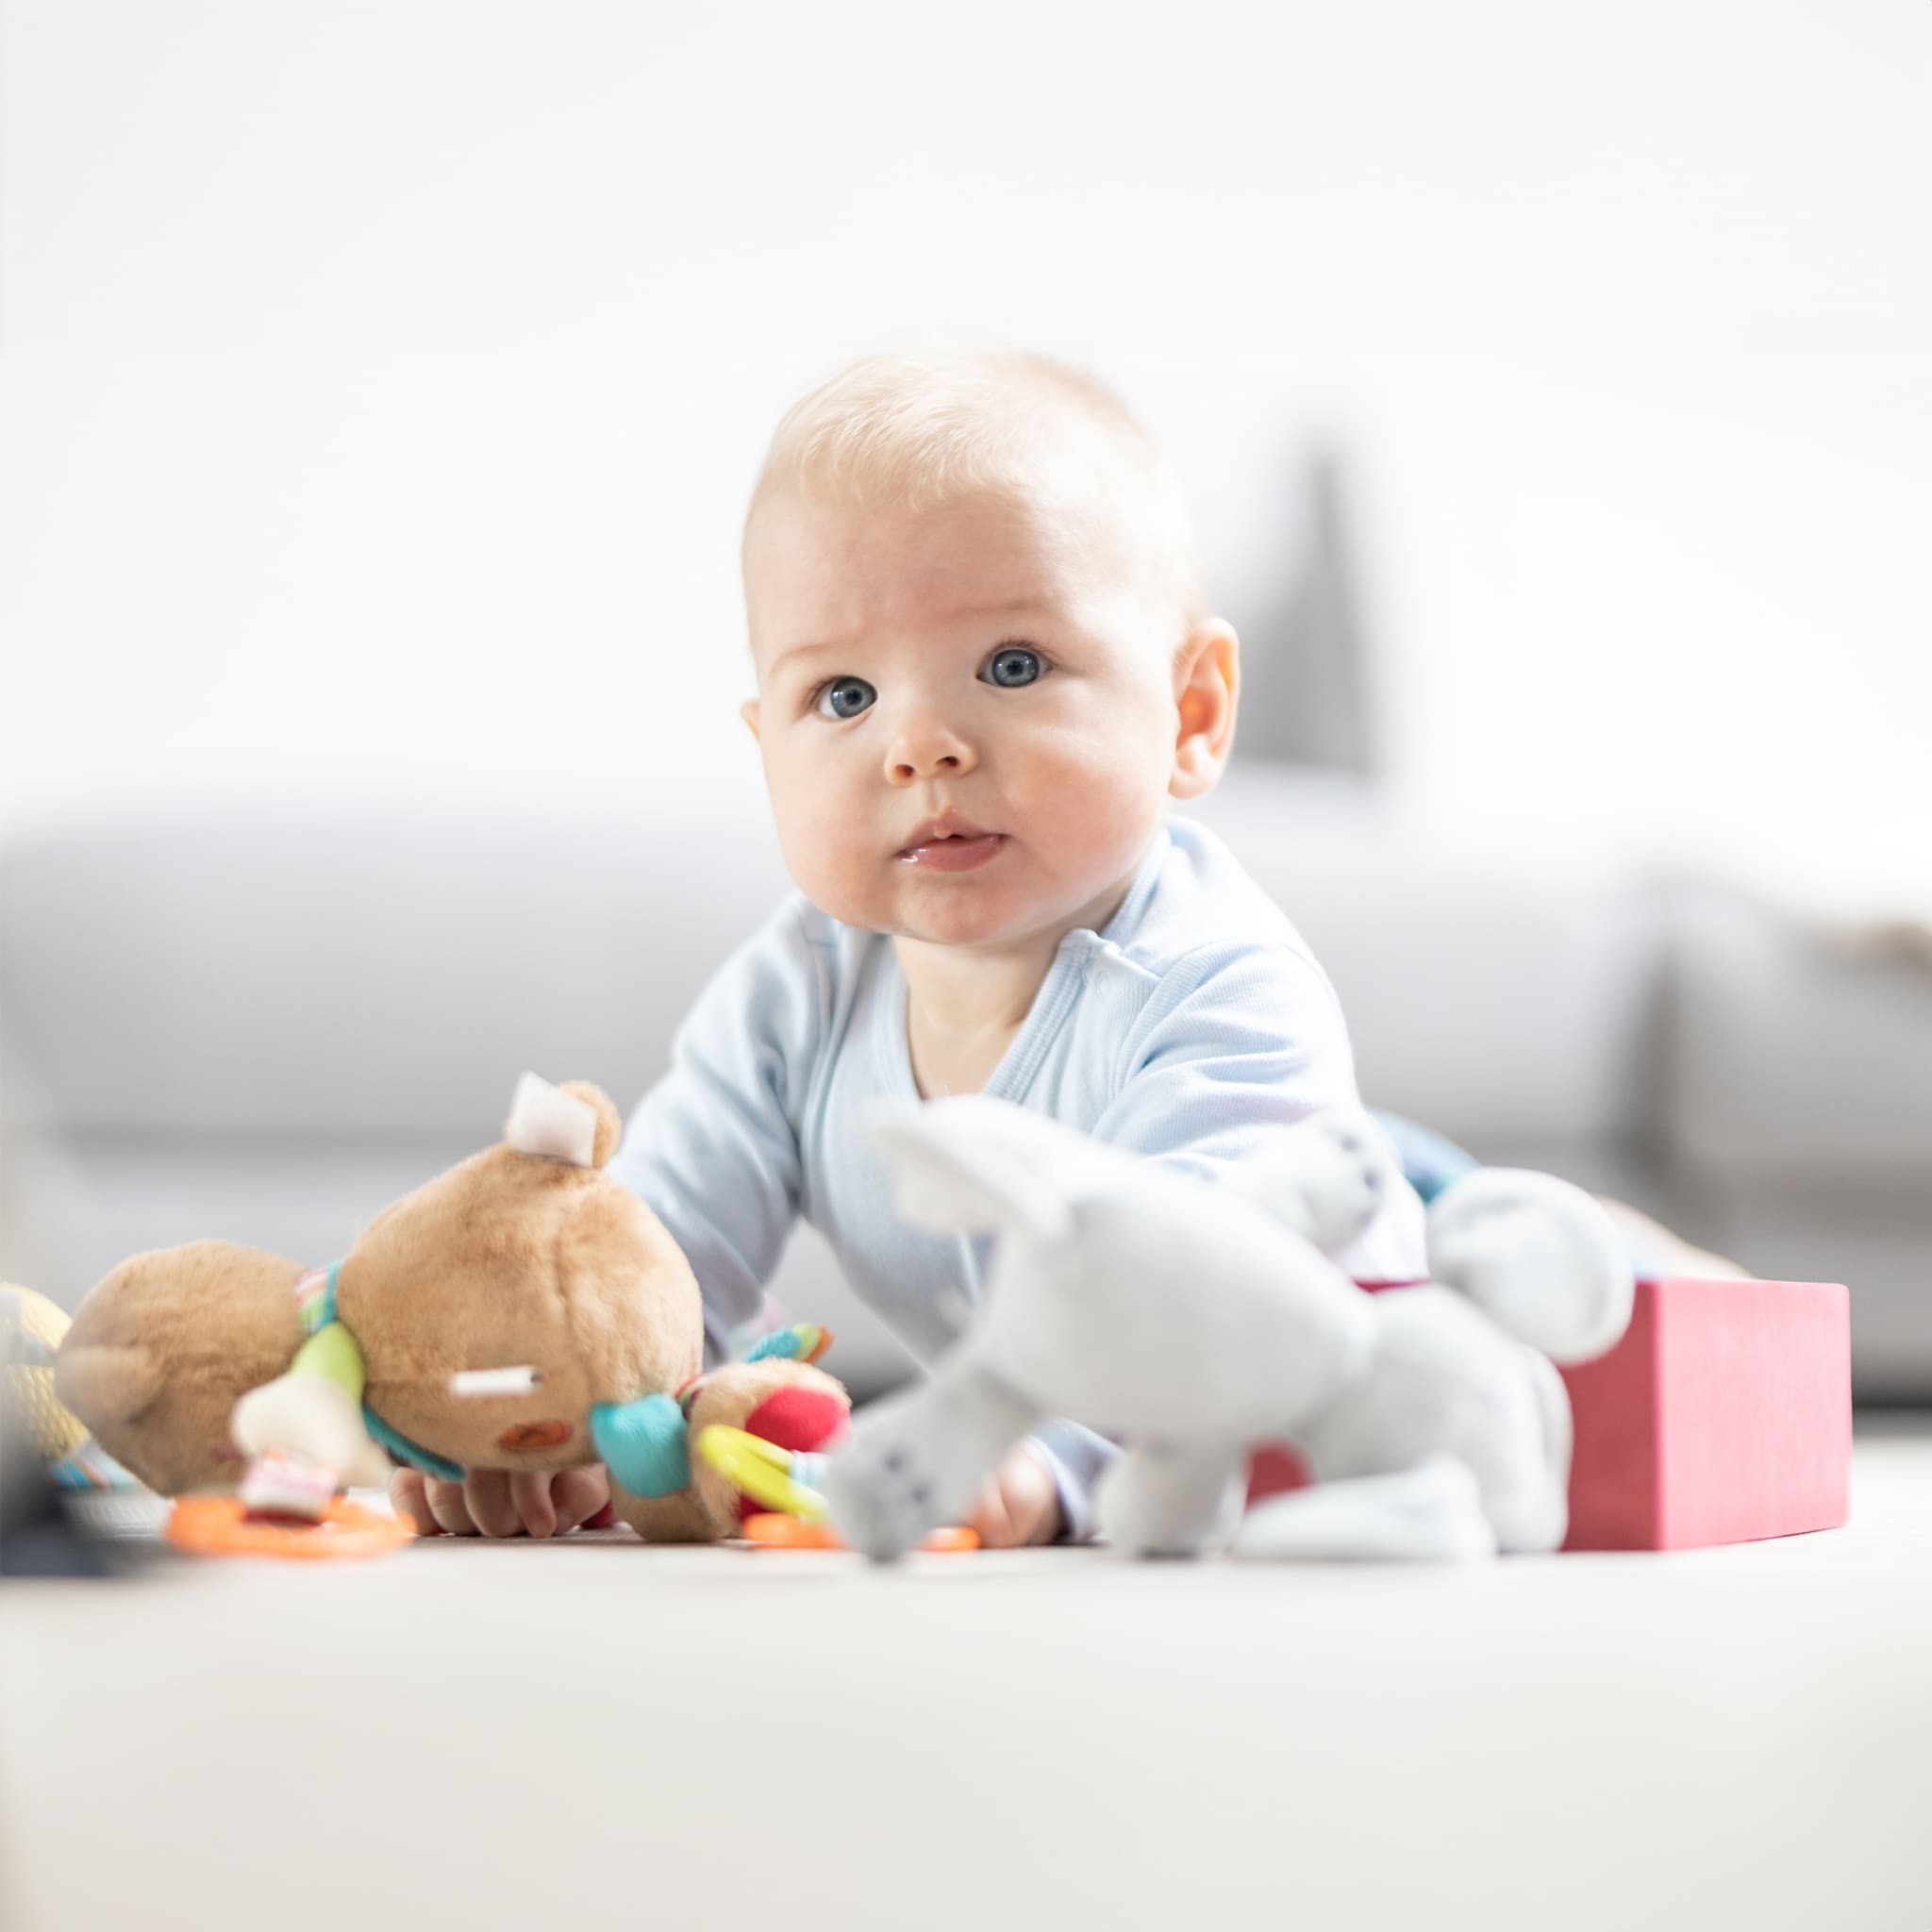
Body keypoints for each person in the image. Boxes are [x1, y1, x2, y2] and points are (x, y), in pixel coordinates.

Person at [388, 350, 1721, 1544]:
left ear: (1191, 715)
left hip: (1323, 1233)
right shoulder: (798, 989)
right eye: (842, 694)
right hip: (1172, 1244)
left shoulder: (1226, 989)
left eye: (1013, 665)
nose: (919, 744)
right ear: (766, 750)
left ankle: (1644, 1256)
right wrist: (570, 1420)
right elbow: (661, 1253)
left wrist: (1051, 1460)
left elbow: (1198, 1306)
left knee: (1590, 1298)